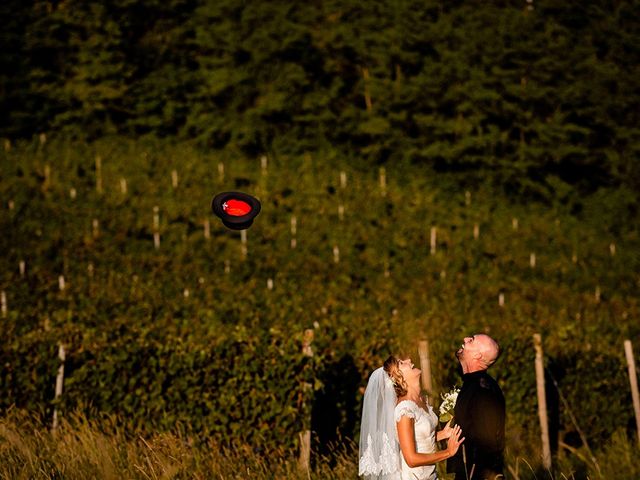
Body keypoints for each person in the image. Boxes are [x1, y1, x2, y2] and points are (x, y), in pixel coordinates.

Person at [359, 355, 464, 480]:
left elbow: (419, 438)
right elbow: (411, 459)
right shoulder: (405, 410)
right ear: (398, 377)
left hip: (430, 476)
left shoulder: (420, 400)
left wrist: (442, 434)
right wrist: (448, 452)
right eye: (402, 363)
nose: (409, 360)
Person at [447, 334, 505, 480]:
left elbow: (488, 442)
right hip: (466, 471)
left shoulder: (484, 390)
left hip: (476, 474)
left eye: (471, 340)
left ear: (477, 355)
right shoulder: (471, 384)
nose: (465, 338)